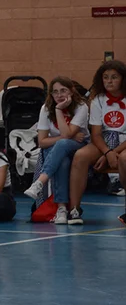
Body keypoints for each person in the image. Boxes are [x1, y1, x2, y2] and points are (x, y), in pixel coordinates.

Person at [23, 77, 89, 224]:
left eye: (63, 90)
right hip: (55, 149)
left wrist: (59, 110)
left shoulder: (81, 106)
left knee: (62, 144)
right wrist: (66, 137)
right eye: (55, 92)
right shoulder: (46, 108)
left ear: (71, 91)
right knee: (62, 160)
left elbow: (66, 135)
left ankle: (40, 182)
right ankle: (61, 209)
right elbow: (42, 142)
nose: (59, 95)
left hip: (79, 146)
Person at [68, 60, 126, 225]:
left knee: (124, 159)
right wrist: (107, 152)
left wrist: (114, 153)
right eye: (105, 77)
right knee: (80, 156)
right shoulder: (98, 100)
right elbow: (96, 135)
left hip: (124, 142)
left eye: (114, 77)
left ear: (123, 79)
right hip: (104, 142)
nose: (109, 81)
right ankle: (74, 209)